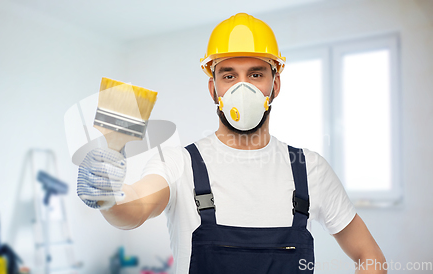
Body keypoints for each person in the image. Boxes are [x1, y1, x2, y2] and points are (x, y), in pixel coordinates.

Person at [77, 13, 387, 274]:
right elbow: (134, 208)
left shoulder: (309, 169)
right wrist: (108, 193)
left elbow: (371, 257)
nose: (243, 88)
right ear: (212, 89)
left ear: (274, 84)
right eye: (229, 76)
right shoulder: (179, 164)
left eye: (255, 74)